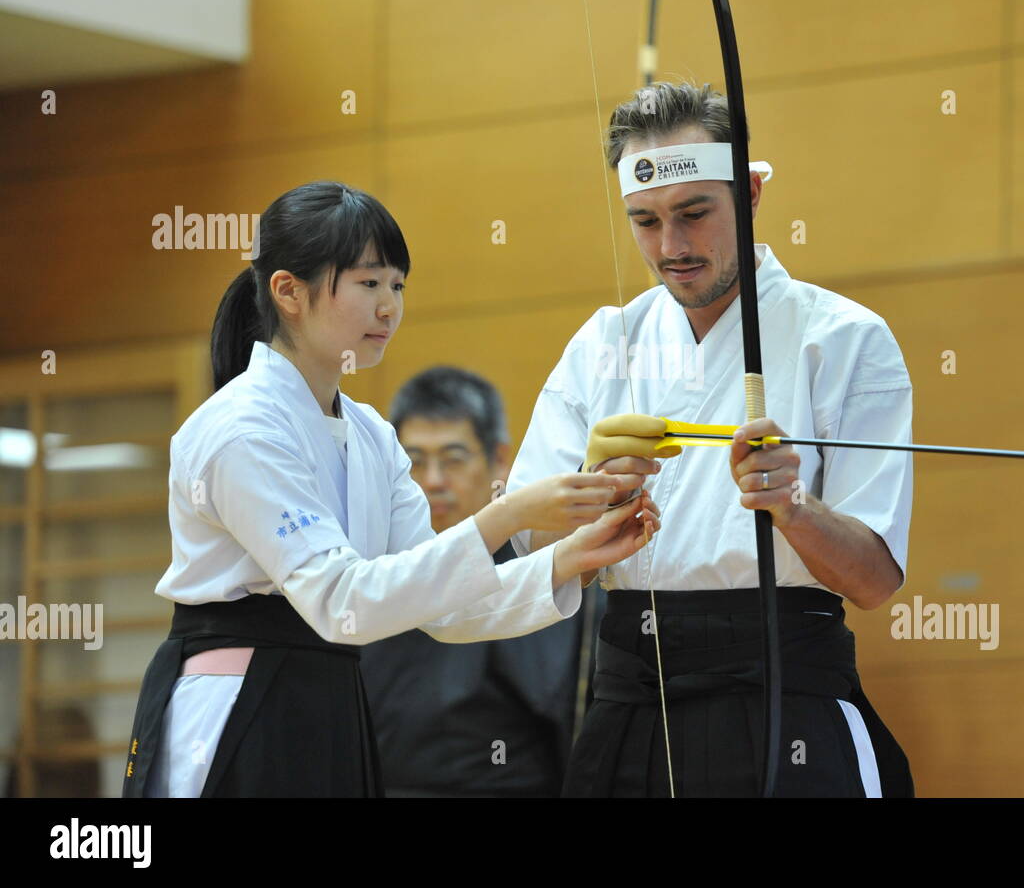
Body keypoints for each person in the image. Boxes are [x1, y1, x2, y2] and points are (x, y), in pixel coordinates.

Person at [122, 181, 656, 798]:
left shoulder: (371, 434)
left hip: (334, 697)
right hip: (239, 694)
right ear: (288, 291)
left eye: (397, 285)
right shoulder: (238, 428)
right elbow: (341, 598)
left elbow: (443, 603)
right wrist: (507, 514)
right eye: (368, 283)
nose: (389, 307)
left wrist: (572, 555)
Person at [507, 81, 915, 797]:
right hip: (631, 690)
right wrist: (594, 492)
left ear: (751, 192)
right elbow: (529, 553)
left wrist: (794, 506)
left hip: (785, 687)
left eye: (695, 213)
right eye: (644, 221)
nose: (672, 247)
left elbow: (875, 579)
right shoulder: (607, 341)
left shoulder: (844, 339)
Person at [361, 367, 605, 796]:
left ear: (499, 461)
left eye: (453, 459)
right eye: (415, 462)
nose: (433, 481)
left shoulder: (547, 570)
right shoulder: (372, 572)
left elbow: (575, 726)